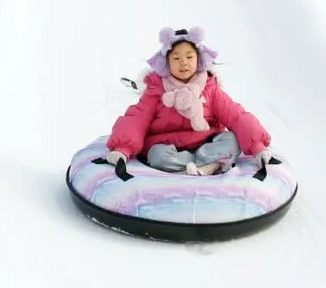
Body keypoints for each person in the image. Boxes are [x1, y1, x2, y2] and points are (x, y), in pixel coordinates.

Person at [104, 26, 272, 176]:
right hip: (169, 148)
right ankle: (205, 165)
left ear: (198, 60)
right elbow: (137, 118)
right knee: (156, 155)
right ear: (167, 63)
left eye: (189, 57)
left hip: (207, 143)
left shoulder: (210, 88)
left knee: (233, 141)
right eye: (176, 58)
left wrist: (257, 145)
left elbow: (236, 115)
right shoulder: (156, 90)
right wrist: (123, 148)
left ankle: (201, 164)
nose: (183, 63)